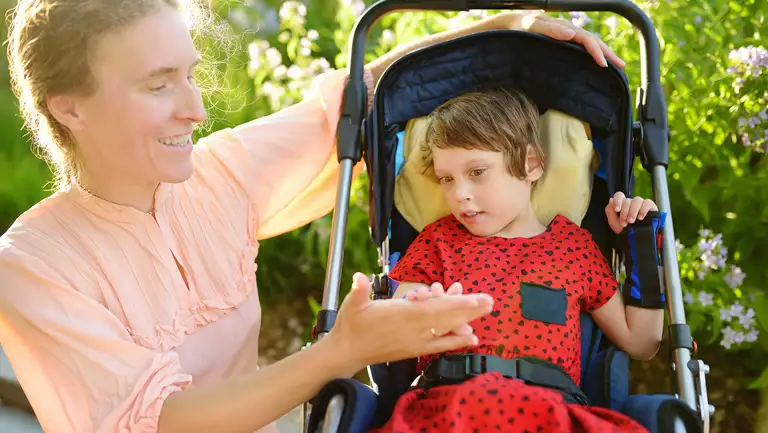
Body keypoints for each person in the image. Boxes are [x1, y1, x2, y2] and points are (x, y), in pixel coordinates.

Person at [0, 0, 625, 432]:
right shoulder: (32, 266)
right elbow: (161, 421)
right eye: (158, 84)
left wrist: (503, 32)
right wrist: (337, 353)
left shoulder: (216, 178)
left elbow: (352, 99)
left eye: (190, 75)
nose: (194, 108)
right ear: (71, 109)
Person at [372, 88, 664, 432]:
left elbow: (642, 342)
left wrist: (641, 242)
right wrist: (421, 312)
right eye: (446, 179)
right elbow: (393, 325)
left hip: (547, 408)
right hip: (449, 403)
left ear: (531, 165)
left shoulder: (573, 247)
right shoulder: (439, 241)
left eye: (477, 172)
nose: (460, 193)